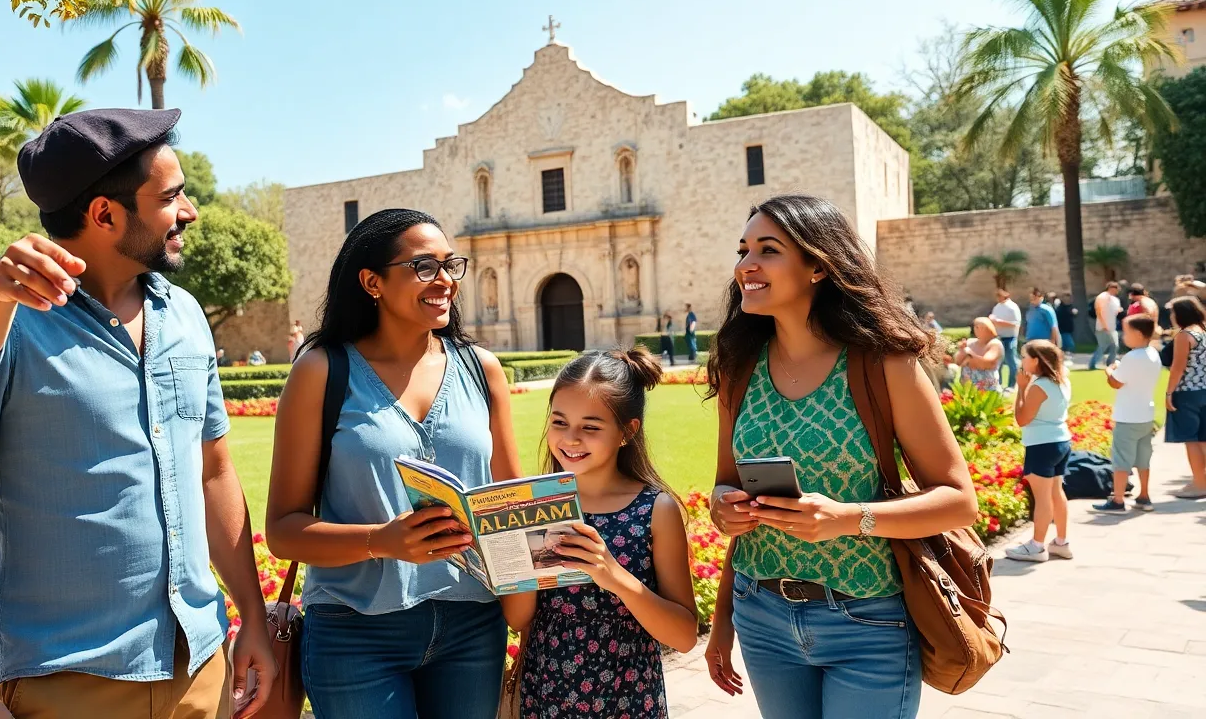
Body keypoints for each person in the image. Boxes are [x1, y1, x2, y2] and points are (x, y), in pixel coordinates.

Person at [0, 108, 276, 719]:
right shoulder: (2, 314)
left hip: (199, 669)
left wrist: (253, 622)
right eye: (171, 197)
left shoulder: (184, 315)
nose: (190, 212)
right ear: (104, 214)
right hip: (68, 686)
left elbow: (213, 473)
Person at [704, 195, 977, 718]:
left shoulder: (882, 363)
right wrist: (724, 507)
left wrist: (850, 519)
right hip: (761, 617)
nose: (746, 266)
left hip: (868, 623)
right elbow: (723, 485)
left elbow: (959, 501)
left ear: (817, 267)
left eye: (768, 250)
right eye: (743, 250)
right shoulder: (740, 368)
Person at [264, 208, 521, 719]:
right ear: (371, 281)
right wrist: (381, 541)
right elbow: (283, 530)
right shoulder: (321, 370)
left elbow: (510, 502)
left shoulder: (481, 368)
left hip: (473, 626)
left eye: (451, 265)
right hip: (354, 632)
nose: (445, 280)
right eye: (425, 267)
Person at [502, 349, 697, 718]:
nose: (571, 439)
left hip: (629, 700)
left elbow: (685, 636)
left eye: (590, 427)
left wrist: (613, 575)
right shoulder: (537, 504)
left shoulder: (655, 510)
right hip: (546, 696)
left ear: (628, 431)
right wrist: (512, 555)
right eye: (559, 422)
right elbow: (518, 619)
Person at [1005, 340, 1073, 562]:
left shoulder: (1038, 386)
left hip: (1042, 445)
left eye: (1025, 357)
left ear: (1036, 360)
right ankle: (1061, 542)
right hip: (1061, 441)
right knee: (1056, 492)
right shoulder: (1062, 381)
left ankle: (1036, 547)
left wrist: (1022, 389)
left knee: (1043, 498)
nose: (1022, 361)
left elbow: (1022, 419)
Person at [1093, 314, 1161, 514]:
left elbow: (1115, 382)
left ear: (1138, 334)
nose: (1124, 336)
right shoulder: (1152, 353)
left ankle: (1118, 500)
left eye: (1127, 332)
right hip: (1145, 414)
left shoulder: (1132, 357)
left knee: (1121, 460)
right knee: (1143, 459)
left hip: (1127, 416)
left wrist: (1109, 369)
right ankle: (1144, 496)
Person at [1163, 296, 1206, 499]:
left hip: (1188, 392)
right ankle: (1200, 480)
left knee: (1192, 440)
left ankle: (1199, 483)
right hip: (1204, 390)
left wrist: (1169, 392)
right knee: (1204, 439)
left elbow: (1177, 368)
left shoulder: (1184, 335)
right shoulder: (1204, 331)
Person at [954, 317, 1004, 393]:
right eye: (976, 326)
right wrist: (962, 350)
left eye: (981, 327)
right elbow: (958, 362)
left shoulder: (995, 344)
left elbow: (985, 364)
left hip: (987, 391)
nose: (977, 329)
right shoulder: (970, 342)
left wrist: (969, 354)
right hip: (967, 389)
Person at [989, 289, 1022, 391]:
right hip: (999, 337)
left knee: (1011, 361)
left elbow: (1015, 323)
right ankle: (999, 383)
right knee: (999, 362)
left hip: (1010, 337)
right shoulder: (997, 307)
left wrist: (999, 322)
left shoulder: (1012, 307)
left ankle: (1012, 384)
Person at [1089, 281, 1123, 370]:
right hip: (1102, 327)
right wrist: (1104, 324)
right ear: (1111, 288)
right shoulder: (1102, 297)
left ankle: (1110, 363)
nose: (1117, 291)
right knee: (1103, 346)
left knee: (1114, 345)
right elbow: (1098, 311)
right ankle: (1092, 364)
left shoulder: (1116, 300)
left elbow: (1116, 311)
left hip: (1112, 327)